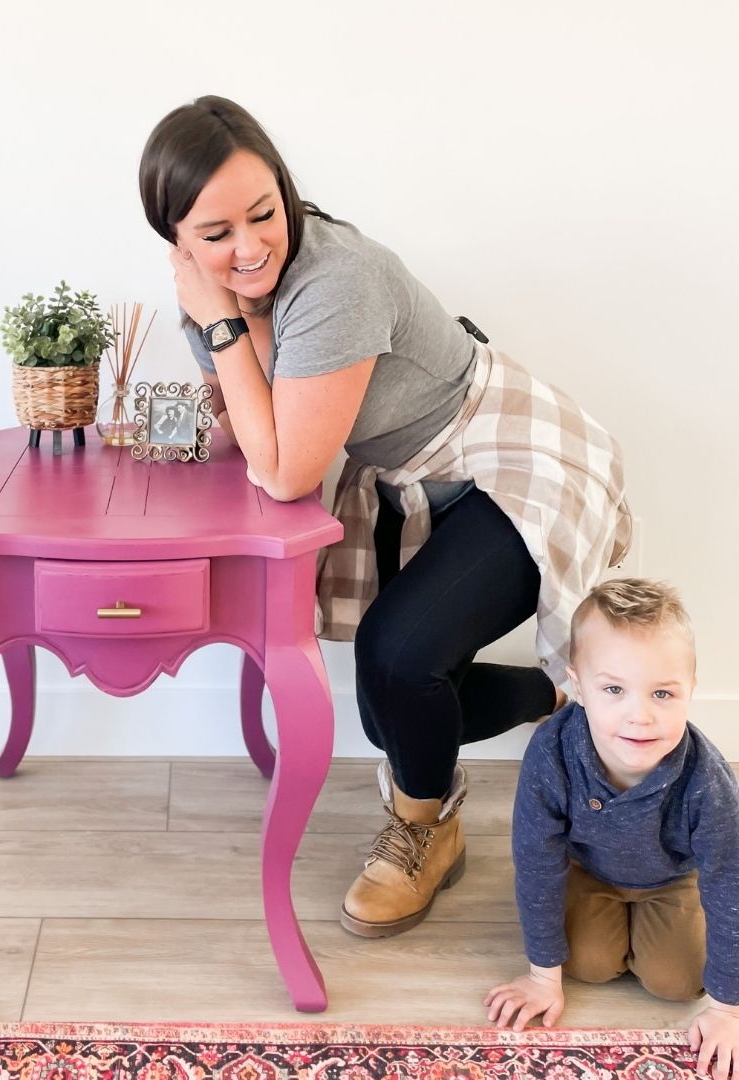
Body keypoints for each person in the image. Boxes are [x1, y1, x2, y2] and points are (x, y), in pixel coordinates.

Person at [139, 95, 631, 938]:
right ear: (176, 242)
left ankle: (426, 832)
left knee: (398, 657)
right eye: (215, 234)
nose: (250, 246)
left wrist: (222, 322)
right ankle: (555, 696)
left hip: (507, 453)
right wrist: (209, 372)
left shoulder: (337, 281)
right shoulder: (210, 296)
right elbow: (248, 412)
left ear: (288, 194)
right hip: (413, 476)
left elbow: (289, 469)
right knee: (389, 711)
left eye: (266, 213)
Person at [486, 579, 739, 1080]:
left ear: (691, 687)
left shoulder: (707, 780)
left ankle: (656, 932)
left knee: (677, 981)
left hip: (671, 880)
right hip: (590, 871)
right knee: (588, 964)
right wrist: (542, 976)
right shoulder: (552, 752)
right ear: (578, 685)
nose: (639, 716)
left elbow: (728, 882)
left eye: (663, 693)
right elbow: (537, 859)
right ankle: (604, 928)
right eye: (613, 689)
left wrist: (727, 1010)